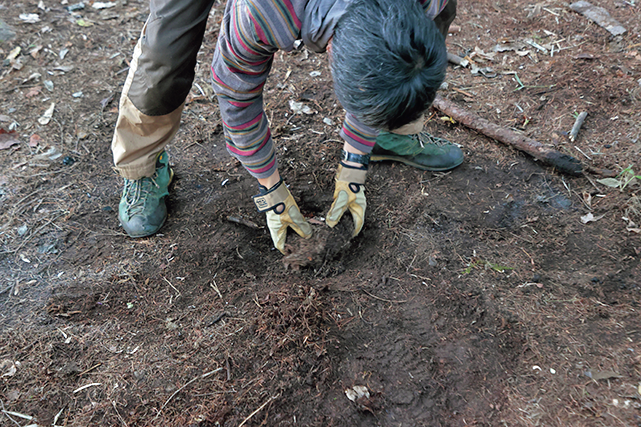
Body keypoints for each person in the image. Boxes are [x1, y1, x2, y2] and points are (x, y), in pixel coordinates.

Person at [113, 0, 462, 253]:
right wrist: (272, 191)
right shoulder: (263, 11)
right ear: (332, 51)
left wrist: (355, 165)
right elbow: (237, 98)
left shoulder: (428, 3)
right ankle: (141, 166)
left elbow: (388, 62)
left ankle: (389, 130)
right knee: (164, 58)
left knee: (409, 63)